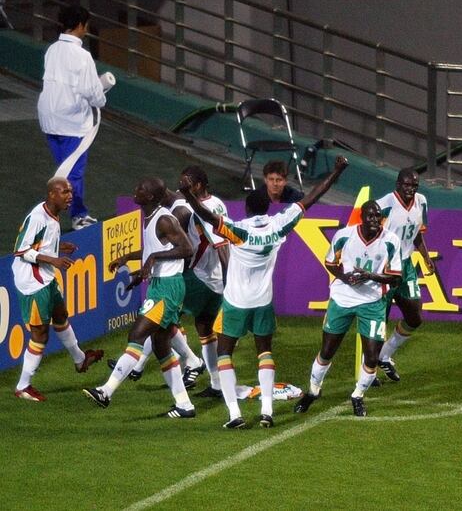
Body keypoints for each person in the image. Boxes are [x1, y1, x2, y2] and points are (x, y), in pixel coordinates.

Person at [179, 156, 349, 429]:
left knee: (224, 355)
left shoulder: (238, 230)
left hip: (236, 302)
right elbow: (313, 197)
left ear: (245, 208)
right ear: (268, 206)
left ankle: (235, 414)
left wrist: (188, 195)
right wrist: (337, 170)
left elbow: (208, 215)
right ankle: (267, 411)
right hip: (262, 301)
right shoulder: (278, 225)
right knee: (264, 352)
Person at [104, 167, 227, 395]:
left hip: (198, 277)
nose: (180, 188)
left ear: (197, 186)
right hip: (212, 278)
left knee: (159, 318)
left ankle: (161, 363)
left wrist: (231, 284)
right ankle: (214, 382)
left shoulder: (183, 213)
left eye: (185, 183)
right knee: (201, 329)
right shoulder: (213, 203)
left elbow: (216, 247)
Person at [83, 177, 197, 418]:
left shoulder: (164, 219)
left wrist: (153, 259)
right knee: (161, 347)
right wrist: (129, 259)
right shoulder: (150, 218)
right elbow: (155, 249)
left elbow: (187, 249)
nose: (136, 190)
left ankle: (106, 391)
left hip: (168, 288)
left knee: (137, 334)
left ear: (152, 197)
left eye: (142, 189)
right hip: (160, 285)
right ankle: (185, 405)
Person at [293, 200, 402, 417]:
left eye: (378, 217)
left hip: (372, 302)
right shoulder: (344, 235)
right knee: (327, 351)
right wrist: (345, 277)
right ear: (362, 218)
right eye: (370, 216)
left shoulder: (390, 240)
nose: (375, 221)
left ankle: (358, 396)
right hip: (342, 299)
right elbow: (330, 262)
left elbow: (395, 278)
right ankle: (313, 391)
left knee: (372, 357)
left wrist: (368, 276)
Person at [12, 177, 104, 401]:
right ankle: (23, 386)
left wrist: (58, 247)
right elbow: (20, 250)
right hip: (33, 283)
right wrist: (54, 260)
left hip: (46, 278)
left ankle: (80, 359)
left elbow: (39, 242)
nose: (69, 196)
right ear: (51, 194)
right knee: (40, 335)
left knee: (60, 315)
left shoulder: (52, 216)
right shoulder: (37, 217)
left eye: (70, 191)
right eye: (64, 192)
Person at [37, 5, 107, 230]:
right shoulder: (82, 56)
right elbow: (92, 92)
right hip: (71, 123)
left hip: (49, 119)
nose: (86, 29)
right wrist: (101, 98)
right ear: (80, 25)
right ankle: (78, 215)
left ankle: (52, 215)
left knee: (62, 170)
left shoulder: (52, 50)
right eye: (86, 25)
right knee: (72, 174)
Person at [374, 169, 435, 383]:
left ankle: (384, 355)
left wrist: (426, 257)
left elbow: (416, 232)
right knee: (379, 319)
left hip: (407, 265)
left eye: (415, 186)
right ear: (398, 183)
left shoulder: (422, 201)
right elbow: (369, 231)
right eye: (407, 185)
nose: (411, 189)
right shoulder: (384, 204)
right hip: (386, 267)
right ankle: (369, 367)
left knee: (415, 316)